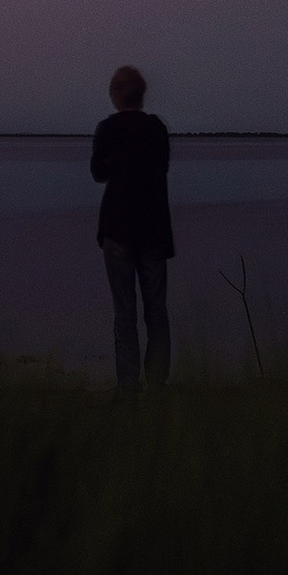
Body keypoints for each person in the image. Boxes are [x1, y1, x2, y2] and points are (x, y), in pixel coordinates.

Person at [90, 64, 173, 390]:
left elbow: (98, 172)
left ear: (115, 95)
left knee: (124, 312)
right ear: (141, 95)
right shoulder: (156, 130)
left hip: (118, 228)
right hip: (153, 228)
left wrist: (116, 164)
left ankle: (128, 384)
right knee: (156, 311)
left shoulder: (108, 129)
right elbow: (160, 168)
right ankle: (156, 383)